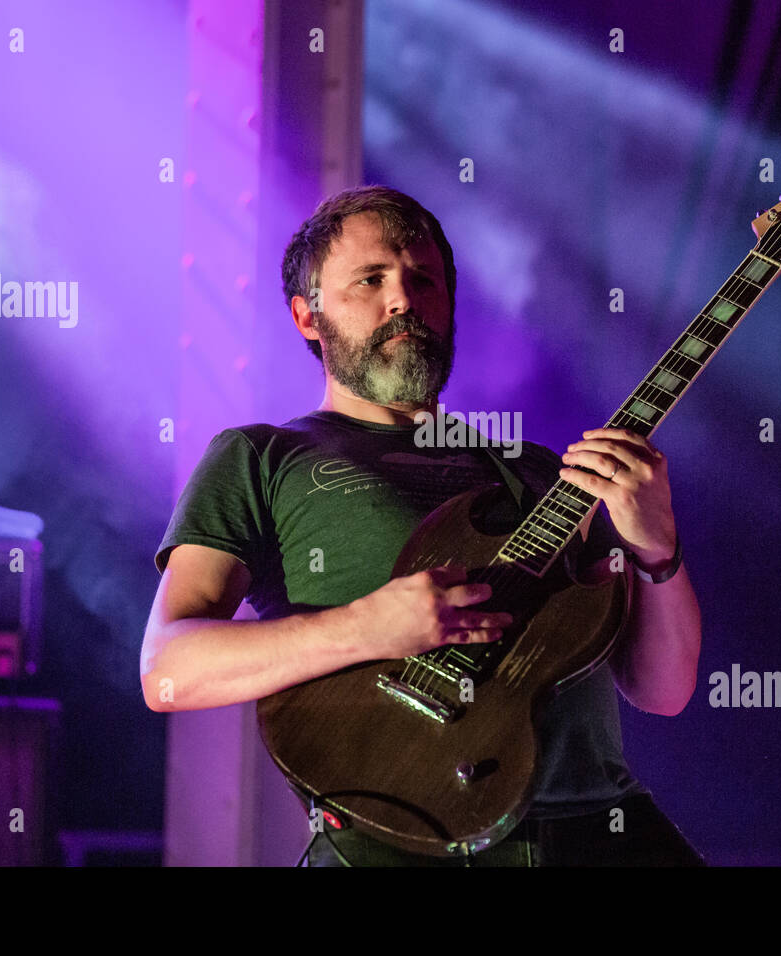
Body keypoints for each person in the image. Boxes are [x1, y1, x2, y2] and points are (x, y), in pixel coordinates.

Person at [142, 185, 705, 866]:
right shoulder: (261, 458)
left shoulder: (538, 472)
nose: (404, 298)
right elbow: (168, 669)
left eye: (424, 278)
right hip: (406, 839)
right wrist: (365, 628)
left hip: (598, 828)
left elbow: (662, 690)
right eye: (371, 279)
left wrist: (657, 549)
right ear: (306, 316)